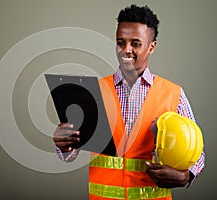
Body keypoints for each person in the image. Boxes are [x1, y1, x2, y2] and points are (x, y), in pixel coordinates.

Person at [53, 4, 205, 200]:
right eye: (120, 42)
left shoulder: (174, 94)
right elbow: (71, 153)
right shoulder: (94, 92)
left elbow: (197, 152)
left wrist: (187, 175)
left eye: (135, 43)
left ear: (152, 47)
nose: (126, 50)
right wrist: (64, 145)